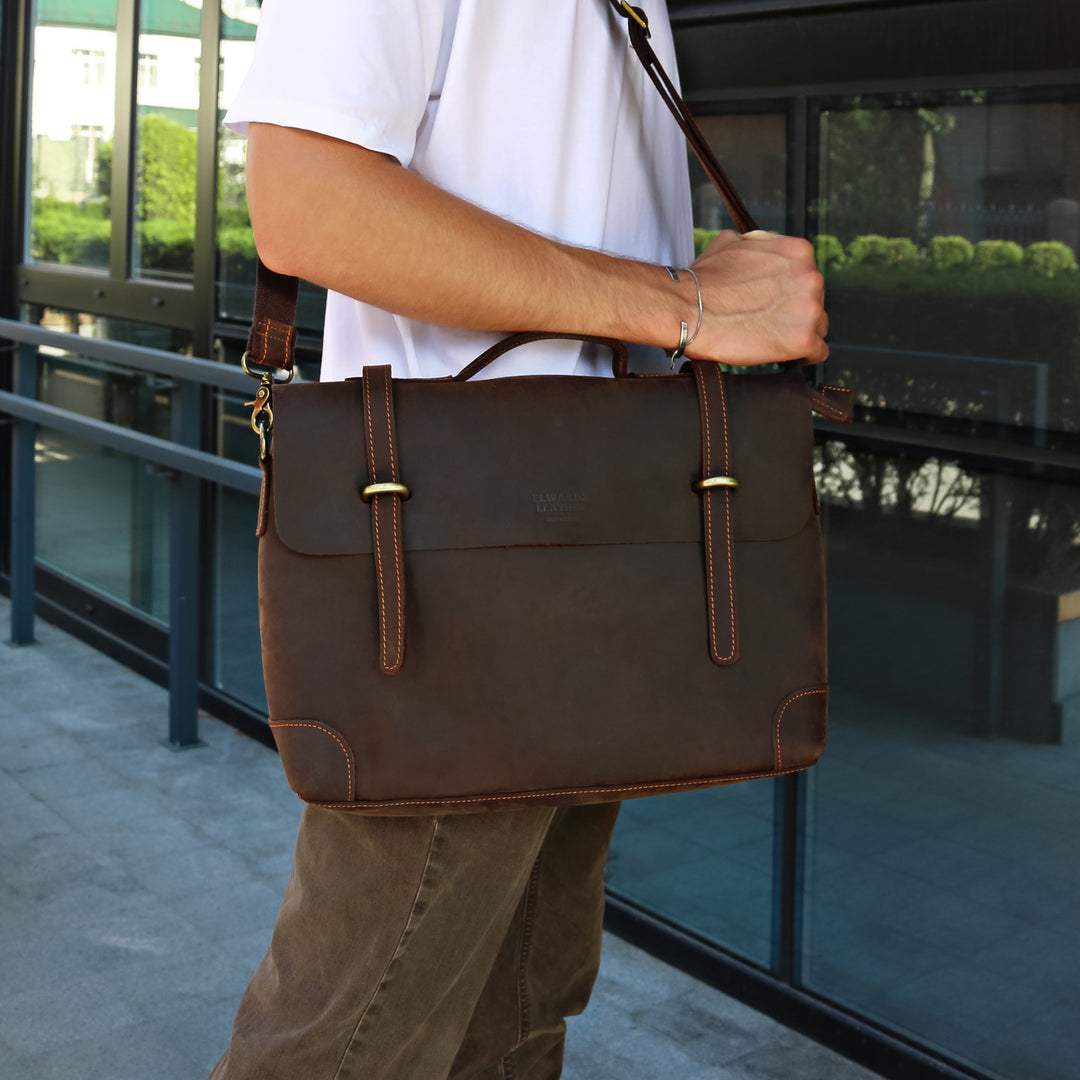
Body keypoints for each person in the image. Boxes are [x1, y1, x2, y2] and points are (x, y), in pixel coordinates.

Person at [211, 2, 827, 1078]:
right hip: (457, 563)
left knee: (520, 1012)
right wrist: (692, 305)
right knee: (347, 1041)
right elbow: (305, 201)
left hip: (595, 540)